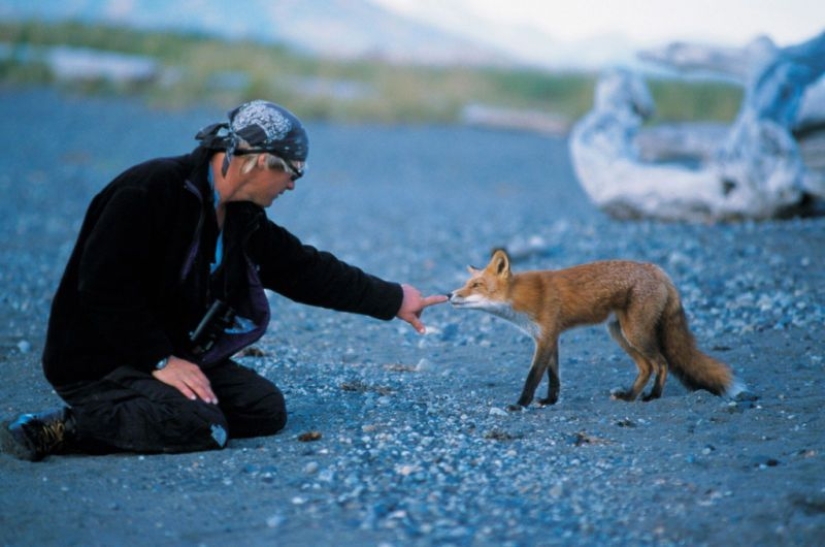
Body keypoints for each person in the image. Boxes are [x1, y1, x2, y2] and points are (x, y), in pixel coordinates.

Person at [0, 100, 447, 462]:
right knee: (201, 427)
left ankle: (153, 408)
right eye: (293, 171)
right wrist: (159, 360)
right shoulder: (150, 189)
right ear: (257, 162)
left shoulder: (240, 216)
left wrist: (392, 299)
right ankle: (61, 427)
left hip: (164, 350)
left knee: (263, 410)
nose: (292, 185)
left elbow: (302, 269)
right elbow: (101, 287)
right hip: (100, 358)